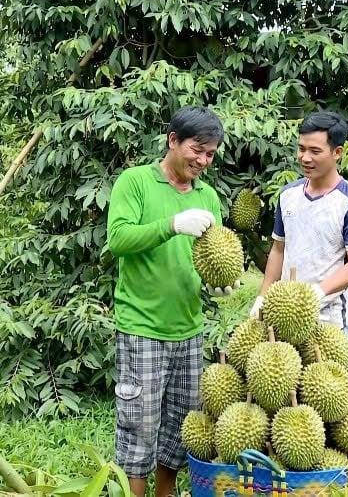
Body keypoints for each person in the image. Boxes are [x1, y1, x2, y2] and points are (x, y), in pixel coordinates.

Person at [106, 105, 232, 497]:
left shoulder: (208, 197)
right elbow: (119, 240)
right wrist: (171, 225)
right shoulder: (136, 183)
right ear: (173, 141)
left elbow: (214, 253)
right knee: (139, 427)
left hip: (189, 328)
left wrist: (218, 282)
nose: (203, 160)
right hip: (142, 326)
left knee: (181, 428)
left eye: (211, 154)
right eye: (197, 150)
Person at [249, 111, 348, 336]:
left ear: (337, 153)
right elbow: (278, 250)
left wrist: (317, 293)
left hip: (328, 320)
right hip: (283, 313)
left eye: (315, 151)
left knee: (327, 372)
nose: (305, 157)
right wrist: (262, 296)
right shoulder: (288, 195)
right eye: (302, 149)